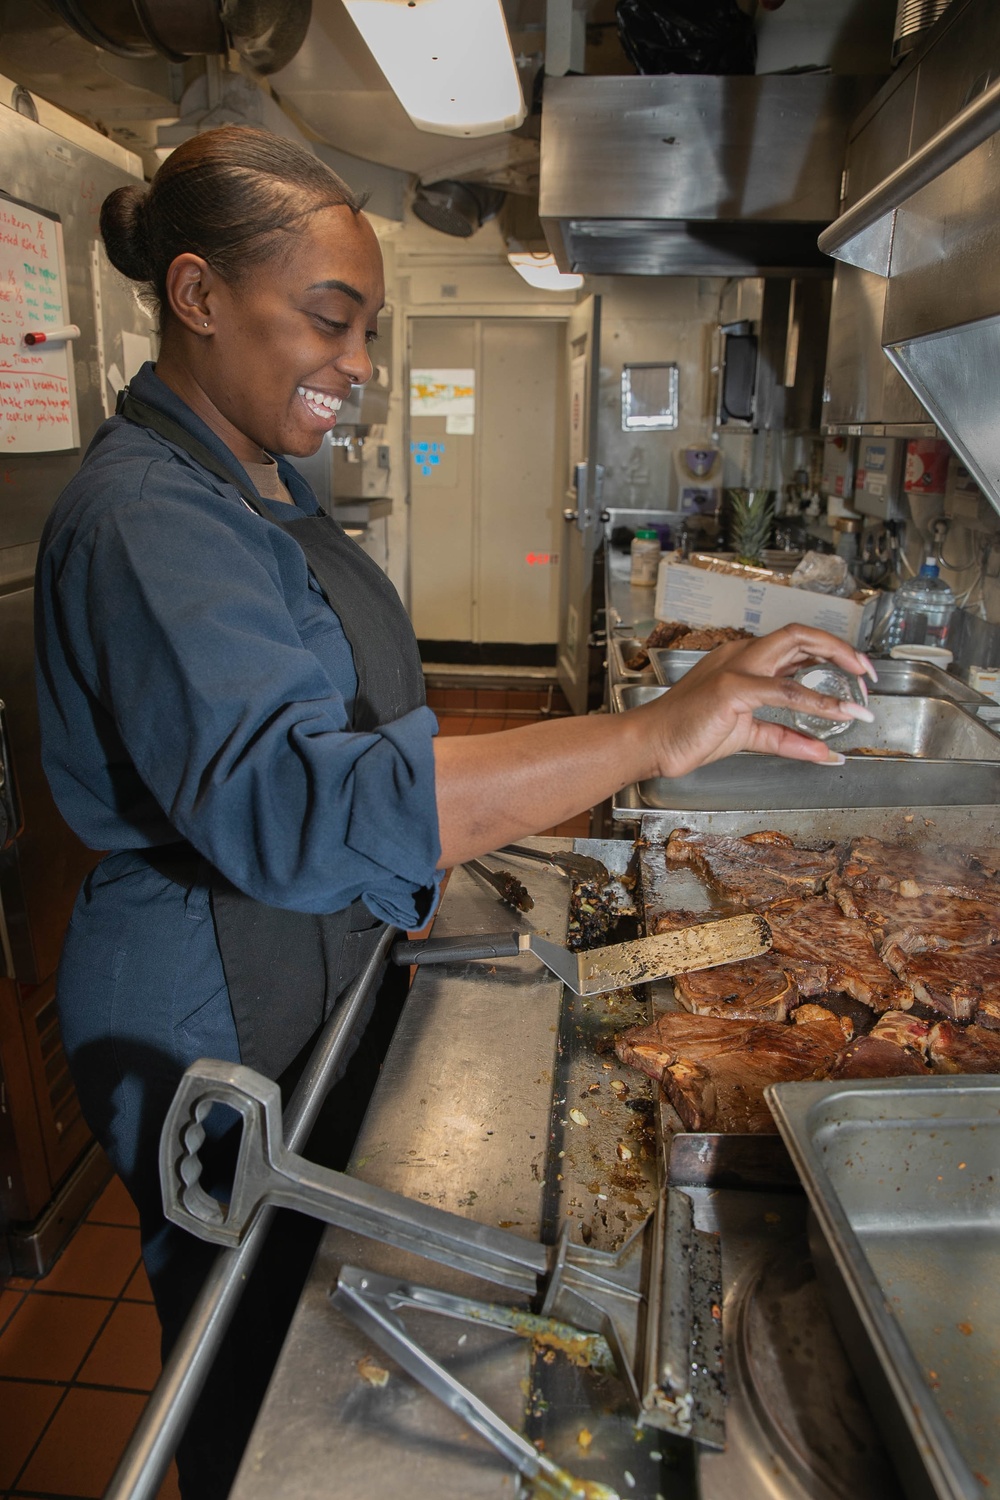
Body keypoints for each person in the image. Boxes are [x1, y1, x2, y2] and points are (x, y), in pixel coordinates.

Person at [34, 125, 874, 1496]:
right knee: (257, 1373)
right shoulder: (149, 518)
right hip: (207, 993)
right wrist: (653, 731)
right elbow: (306, 802)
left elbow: (350, 754)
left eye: (367, 325)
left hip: (300, 952)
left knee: (299, 1303)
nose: (358, 362)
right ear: (194, 296)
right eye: (328, 318)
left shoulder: (259, 486)